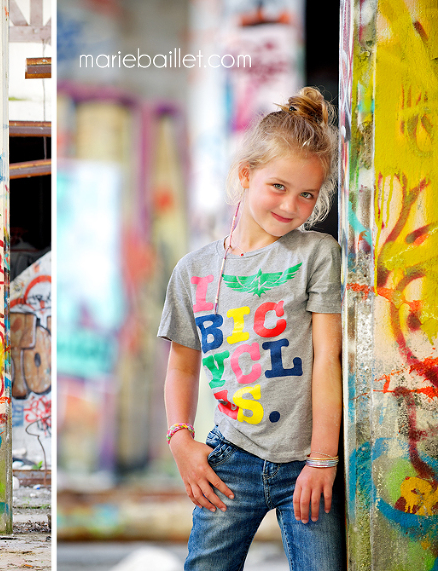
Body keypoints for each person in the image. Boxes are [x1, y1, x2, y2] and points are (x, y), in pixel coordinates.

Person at [158, 87, 344, 570]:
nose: (291, 205)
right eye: (278, 186)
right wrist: (180, 439)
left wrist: (323, 459)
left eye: (307, 195)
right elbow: (182, 365)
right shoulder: (193, 270)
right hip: (230, 459)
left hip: (307, 463)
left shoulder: (317, 255)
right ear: (246, 175)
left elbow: (329, 359)